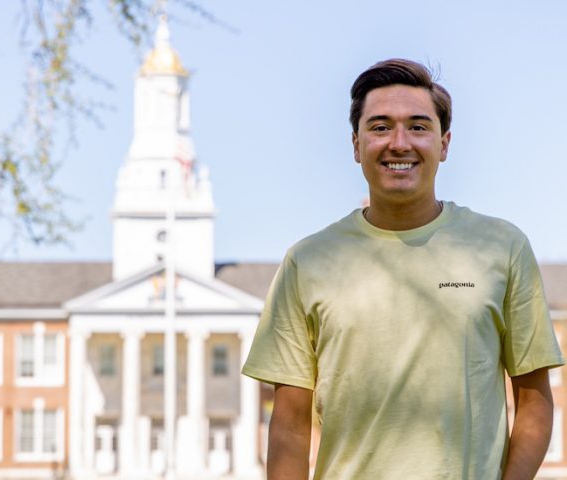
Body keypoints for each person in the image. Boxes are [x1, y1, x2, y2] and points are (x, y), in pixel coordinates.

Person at [241, 58, 565, 479]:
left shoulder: (502, 247)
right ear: (356, 144)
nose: (399, 143)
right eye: (379, 127)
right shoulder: (307, 261)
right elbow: (289, 424)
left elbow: (535, 401)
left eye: (418, 126)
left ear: (444, 143)